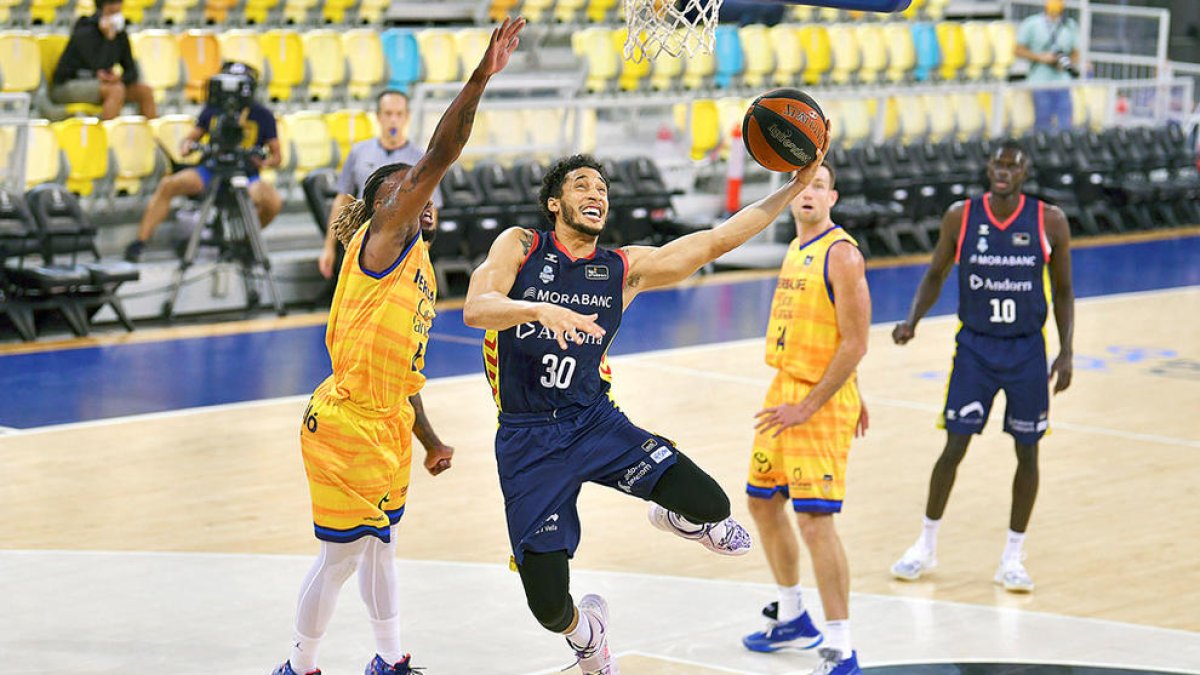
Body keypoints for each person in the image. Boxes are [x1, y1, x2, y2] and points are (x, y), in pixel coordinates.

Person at [461, 124, 832, 674]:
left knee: (712, 505)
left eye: (603, 190)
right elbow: (476, 307)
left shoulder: (621, 269)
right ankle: (587, 635)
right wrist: (535, 310)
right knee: (547, 605)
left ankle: (681, 520)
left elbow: (717, 241)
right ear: (554, 202)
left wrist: (790, 185)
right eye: (583, 186)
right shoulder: (521, 245)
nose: (596, 195)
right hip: (526, 438)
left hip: (593, 424)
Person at [270, 17, 524, 675]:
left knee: (381, 548)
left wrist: (430, 438)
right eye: (410, 184)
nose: (425, 189)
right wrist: (482, 75)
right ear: (391, 202)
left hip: (385, 424)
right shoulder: (382, 238)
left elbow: (405, 375)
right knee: (343, 555)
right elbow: (441, 151)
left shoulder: (420, 267)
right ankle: (299, 665)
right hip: (345, 424)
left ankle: (388, 659)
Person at [889, 139, 1074, 594]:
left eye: (1013, 165)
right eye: (998, 163)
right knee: (954, 446)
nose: (1004, 171)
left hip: (1027, 350)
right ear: (988, 168)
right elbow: (936, 273)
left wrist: (1067, 350)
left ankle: (1013, 555)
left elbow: (1065, 291)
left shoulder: (1049, 220)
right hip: (975, 348)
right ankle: (925, 544)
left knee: (1027, 451)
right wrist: (912, 319)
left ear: (1025, 173)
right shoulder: (962, 216)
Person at [739, 163, 870, 675]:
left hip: (815, 403)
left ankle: (841, 646)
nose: (809, 192)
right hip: (787, 389)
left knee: (815, 522)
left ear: (832, 197)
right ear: (791, 196)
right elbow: (839, 336)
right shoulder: (797, 247)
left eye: (819, 184)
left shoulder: (842, 254)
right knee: (762, 500)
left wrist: (816, 404)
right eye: (802, 185)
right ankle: (792, 614)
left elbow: (858, 341)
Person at [123, 63, 283, 263]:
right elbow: (191, 139)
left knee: (273, 201)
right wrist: (187, 146)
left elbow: (277, 156)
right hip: (211, 169)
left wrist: (265, 162)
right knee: (168, 185)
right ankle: (140, 242)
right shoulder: (214, 109)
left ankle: (243, 242)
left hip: (245, 174)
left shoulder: (263, 115)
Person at [318, 90, 444, 280]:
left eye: (399, 114)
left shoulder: (421, 158)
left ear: (407, 117)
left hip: (403, 243)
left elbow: (431, 208)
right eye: (388, 113)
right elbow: (341, 201)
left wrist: (422, 250)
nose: (393, 120)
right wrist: (328, 248)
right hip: (363, 242)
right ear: (378, 116)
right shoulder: (359, 152)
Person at [51, 0, 157, 121]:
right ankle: (107, 137)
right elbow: (99, 65)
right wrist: (109, 39)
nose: (116, 16)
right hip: (69, 84)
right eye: (112, 12)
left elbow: (131, 71)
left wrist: (119, 78)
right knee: (116, 90)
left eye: (118, 12)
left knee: (145, 91)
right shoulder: (85, 31)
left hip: (102, 84)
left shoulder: (120, 34)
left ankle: (150, 137)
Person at [1015, 0, 1080, 130]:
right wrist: (1040, 57)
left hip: (1062, 82)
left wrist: (1066, 62)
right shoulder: (1031, 23)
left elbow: (1076, 53)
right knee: (1043, 122)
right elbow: (1017, 50)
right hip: (1039, 81)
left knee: (1065, 122)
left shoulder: (1069, 25)